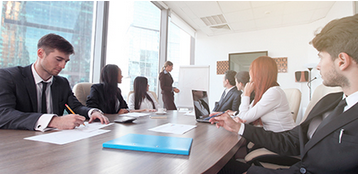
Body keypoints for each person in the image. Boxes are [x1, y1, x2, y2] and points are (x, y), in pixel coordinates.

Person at [210, 14, 358, 173]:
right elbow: (293, 140)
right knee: (221, 167)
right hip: (293, 161)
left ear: (342, 61)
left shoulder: (274, 92)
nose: (318, 66)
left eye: (321, 58)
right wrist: (239, 127)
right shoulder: (331, 101)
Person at [0, 33, 109, 131]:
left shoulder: (62, 83)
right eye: (58, 59)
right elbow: (3, 114)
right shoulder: (9, 77)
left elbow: (75, 107)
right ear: (40, 53)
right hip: (19, 143)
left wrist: (92, 112)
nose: (62, 66)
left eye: (66, 61)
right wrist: (53, 121)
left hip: (54, 142)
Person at [236, 57, 296, 132]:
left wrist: (246, 94)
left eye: (252, 70)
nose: (250, 73)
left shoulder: (273, 92)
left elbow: (243, 119)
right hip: (273, 136)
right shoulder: (265, 92)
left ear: (259, 73)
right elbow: (244, 115)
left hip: (283, 138)